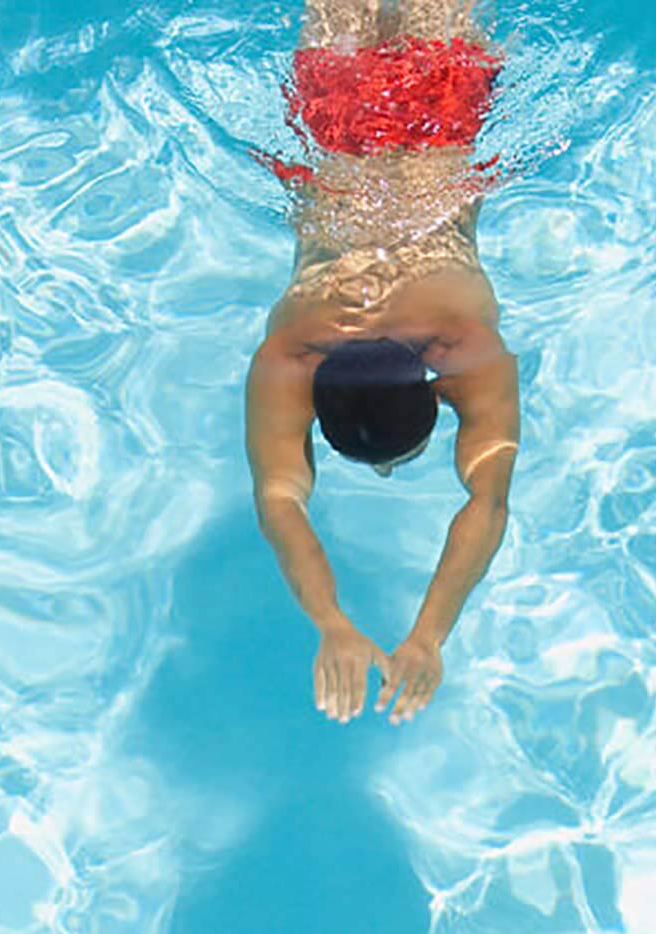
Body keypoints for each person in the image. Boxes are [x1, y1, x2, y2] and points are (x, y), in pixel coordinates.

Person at [244, 0, 520, 724]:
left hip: (442, 131)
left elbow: (488, 504)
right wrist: (330, 621)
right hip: (336, 135)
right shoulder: (291, 351)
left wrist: (428, 637)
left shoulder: (466, 346)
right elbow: (278, 502)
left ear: (437, 393)